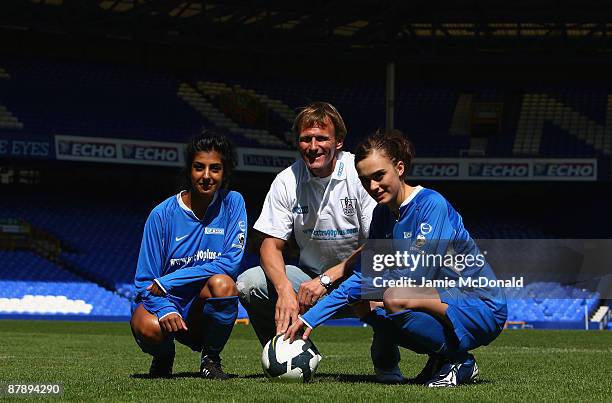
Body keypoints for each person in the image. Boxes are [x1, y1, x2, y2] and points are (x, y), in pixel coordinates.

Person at [285, 130, 508, 387]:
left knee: (394, 296)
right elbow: (366, 275)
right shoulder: (382, 215)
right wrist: (311, 318)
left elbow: (415, 276)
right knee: (364, 304)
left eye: (379, 176)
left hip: (480, 304)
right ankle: (441, 358)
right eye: (365, 180)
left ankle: (459, 361)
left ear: (399, 168)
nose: (373, 187)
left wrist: (371, 286)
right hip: (439, 298)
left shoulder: (431, 205)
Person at [237, 102, 404, 382]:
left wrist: (329, 278)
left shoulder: (359, 172)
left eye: (321, 138)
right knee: (249, 283)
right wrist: (284, 291)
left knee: (393, 295)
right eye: (306, 139)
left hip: (361, 278)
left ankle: (387, 361)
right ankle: (286, 355)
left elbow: (379, 242)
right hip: (308, 283)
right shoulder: (286, 180)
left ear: (338, 141)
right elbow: (269, 244)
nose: (313, 146)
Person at [130, 130, 247, 380]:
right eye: (199, 167)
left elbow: (229, 263)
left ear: (224, 172)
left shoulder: (233, 203)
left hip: (201, 308)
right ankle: (163, 355)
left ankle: (210, 359)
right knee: (147, 328)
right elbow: (143, 282)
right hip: (165, 305)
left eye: (215, 168)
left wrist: (169, 280)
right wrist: (164, 309)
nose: (206, 176)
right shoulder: (161, 215)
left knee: (224, 285)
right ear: (189, 170)